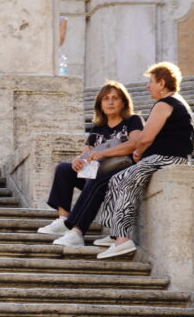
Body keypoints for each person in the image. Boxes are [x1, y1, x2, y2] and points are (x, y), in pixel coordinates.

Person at [97, 62, 194, 259]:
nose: (147, 86)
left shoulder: (165, 103)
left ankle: (122, 240)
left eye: (150, 82)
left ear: (162, 83)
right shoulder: (175, 102)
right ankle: (114, 233)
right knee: (116, 179)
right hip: (168, 157)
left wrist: (138, 152)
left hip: (167, 158)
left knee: (124, 180)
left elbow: (146, 137)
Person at [36, 82, 144, 247]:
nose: (110, 102)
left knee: (96, 180)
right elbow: (86, 152)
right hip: (99, 170)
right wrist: (78, 160)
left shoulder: (132, 121)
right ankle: (63, 219)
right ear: (100, 103)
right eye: (106, 99)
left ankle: (77, 231)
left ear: (124, 102)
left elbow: (135, 143)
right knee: (64, 169)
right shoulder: (98, 127)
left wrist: (103, 153)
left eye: (115, 98)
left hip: (121, 174)